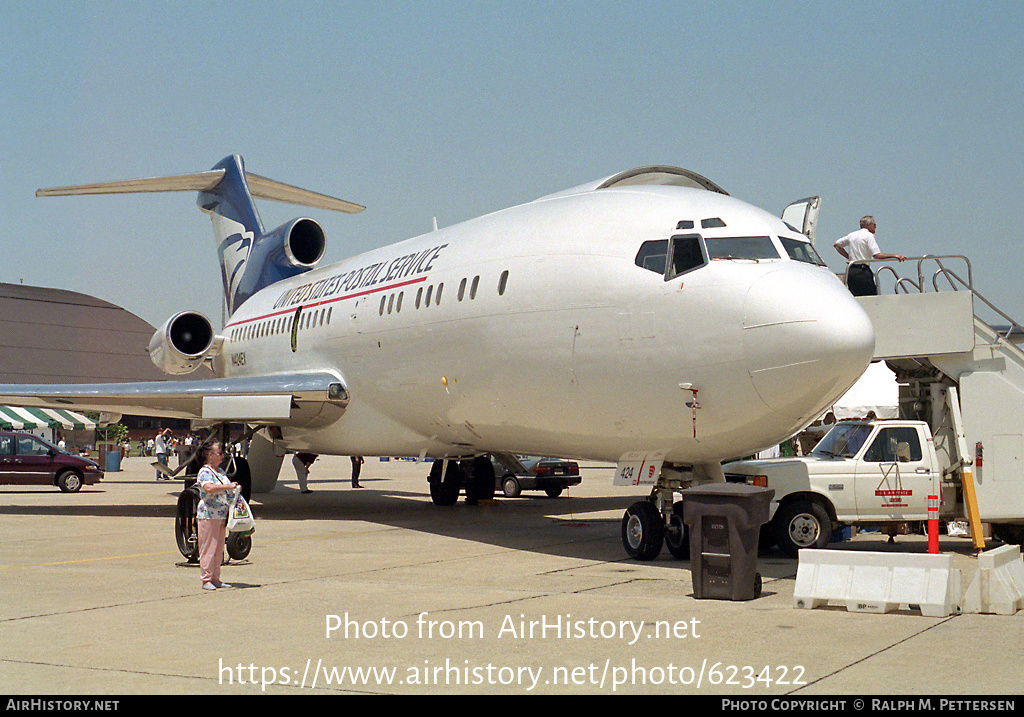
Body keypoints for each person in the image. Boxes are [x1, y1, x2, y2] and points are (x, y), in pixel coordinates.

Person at [195, 441, 239, 590]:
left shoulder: (220, 471)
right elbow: (208, 488)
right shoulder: (205, 471)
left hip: (220, 514)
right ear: (210, 455)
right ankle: (206, 578)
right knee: (208, 547)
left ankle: (215, 577)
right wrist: (228, 486)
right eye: (219, 453)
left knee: (219, 547)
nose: (222, 456)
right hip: (208, 514)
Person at [833, 216, 906, 296]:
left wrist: (849, 257)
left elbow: (837, 245)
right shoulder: (868, 235)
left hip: (851, 271)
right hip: (863, 271)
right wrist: (895, 256)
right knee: (871, 297)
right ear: (869, 225)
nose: (875, 227)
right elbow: (877, 255)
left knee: (856, 298)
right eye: (874, 224)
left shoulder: (852, 235)